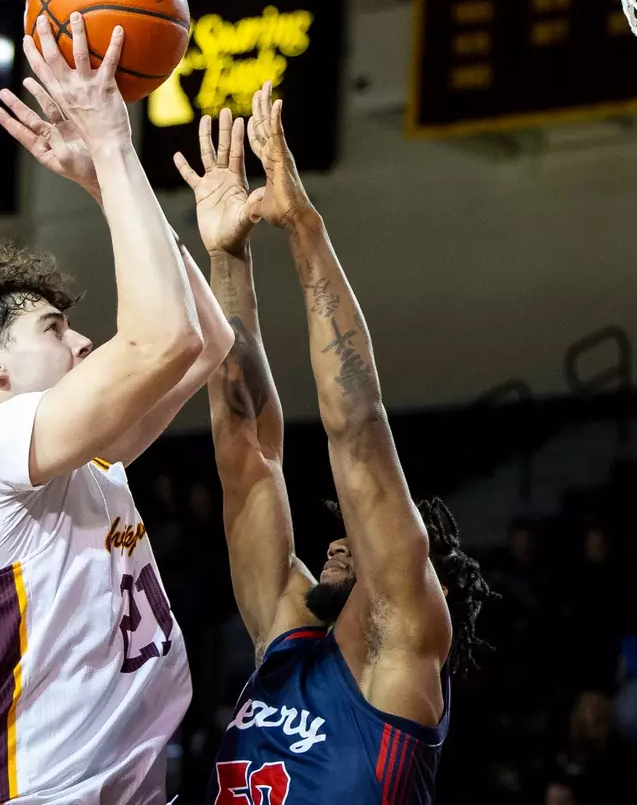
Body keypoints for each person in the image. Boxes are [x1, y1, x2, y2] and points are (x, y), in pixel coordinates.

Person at [0, 14, 233, 805]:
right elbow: (161, 339)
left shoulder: (65, 460)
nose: (81, 344)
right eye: (55, 329)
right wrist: (114, 148)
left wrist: (103, 182)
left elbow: (203, 343)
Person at [177, 86, 494, 803]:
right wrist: (228, 257)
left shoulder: (404, 650)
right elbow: (245, 452)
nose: (342, 538)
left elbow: (357, 423)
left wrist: (302, 227)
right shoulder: (287, 635)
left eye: (365, 534)